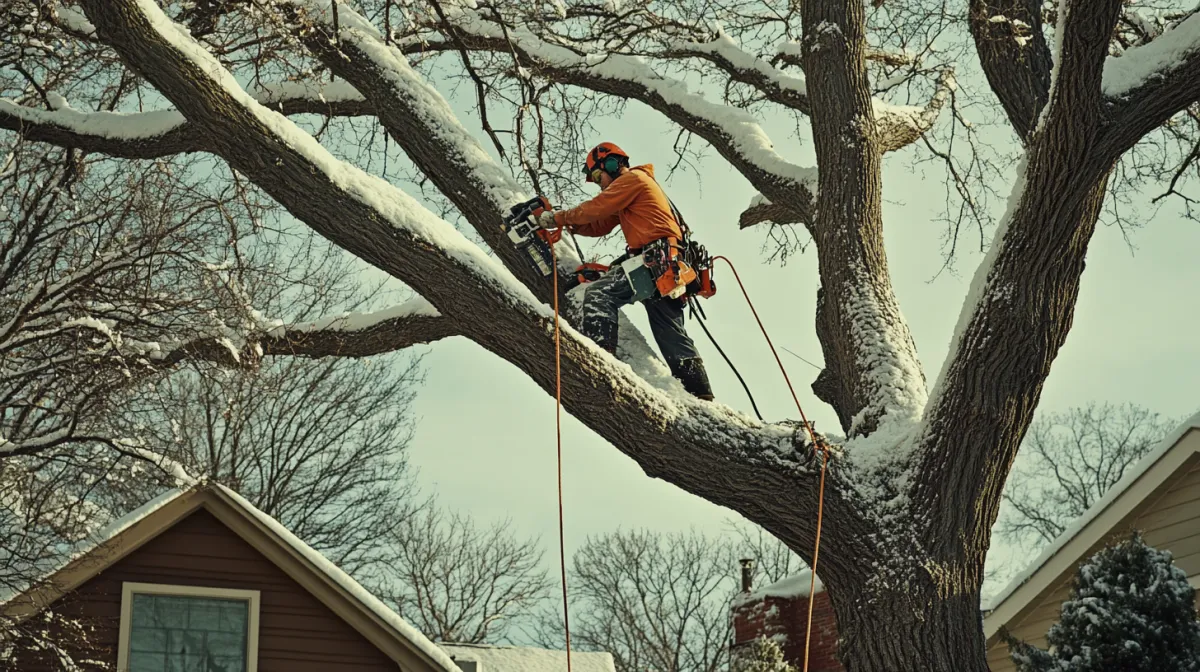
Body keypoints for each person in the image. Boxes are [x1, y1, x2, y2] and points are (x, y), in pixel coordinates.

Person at [536, 142, 714, 401]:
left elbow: (596, 208)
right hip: (669, 269)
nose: (600, 183)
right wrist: (569, 226)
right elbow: (599, 224)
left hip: (655, 261)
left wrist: (554, 218)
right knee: (670, 332)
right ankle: (701, 393)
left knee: (598, 295)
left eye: (598, 176)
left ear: (612, 163)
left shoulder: (633, 179)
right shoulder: (631, 191)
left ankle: (601, 360)